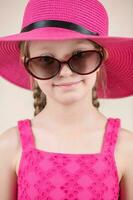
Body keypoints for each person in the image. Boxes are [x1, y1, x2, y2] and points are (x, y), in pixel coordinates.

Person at [0, 0, 133, 199]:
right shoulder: (9, 146)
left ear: (101, 57)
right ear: (26, 63)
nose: (65, 72)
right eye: (46, 60)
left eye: (80, 56)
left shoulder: (127, 147)